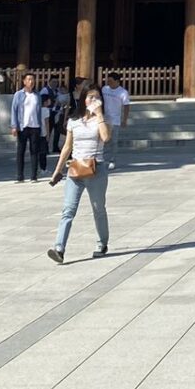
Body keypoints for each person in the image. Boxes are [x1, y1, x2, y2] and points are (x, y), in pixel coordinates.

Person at [47, 90, 112, 263]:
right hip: (75, 168)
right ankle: (59, 248)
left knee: (98, 208)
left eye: (97, 97)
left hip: (95, 168)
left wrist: (98, 114)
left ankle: (102, 242)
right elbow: (67, 147)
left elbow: (105, 138)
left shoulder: (103, 119)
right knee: (68, 209)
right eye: (90, 97)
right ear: (83, 99)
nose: (94, 100)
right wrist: (58, 170)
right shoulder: (73, 121)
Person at [10, 72, 48, 182]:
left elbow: (39, 111)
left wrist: (41, 127)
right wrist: (14, 125)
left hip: (35, 126)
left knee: (34, 151)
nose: (31, 82)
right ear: (24, 81)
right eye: (29, 79)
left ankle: (33, 176)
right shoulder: (19, 95)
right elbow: (14, 110)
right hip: (23, 126)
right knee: (20, 151)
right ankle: (20, 176)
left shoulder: (37, 95)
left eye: (32, 79)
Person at [98, 71, 131, 167]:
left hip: (115, 119)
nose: (109, 83)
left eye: (111, 81)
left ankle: (112, 159)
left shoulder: (123, 92)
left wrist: (124, 120)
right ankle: (101, 158)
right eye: (108, 81)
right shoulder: (105, 89)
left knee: (113, 141)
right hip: (104, 118)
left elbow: (126, 106)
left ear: (117, 81)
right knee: (103, 140)